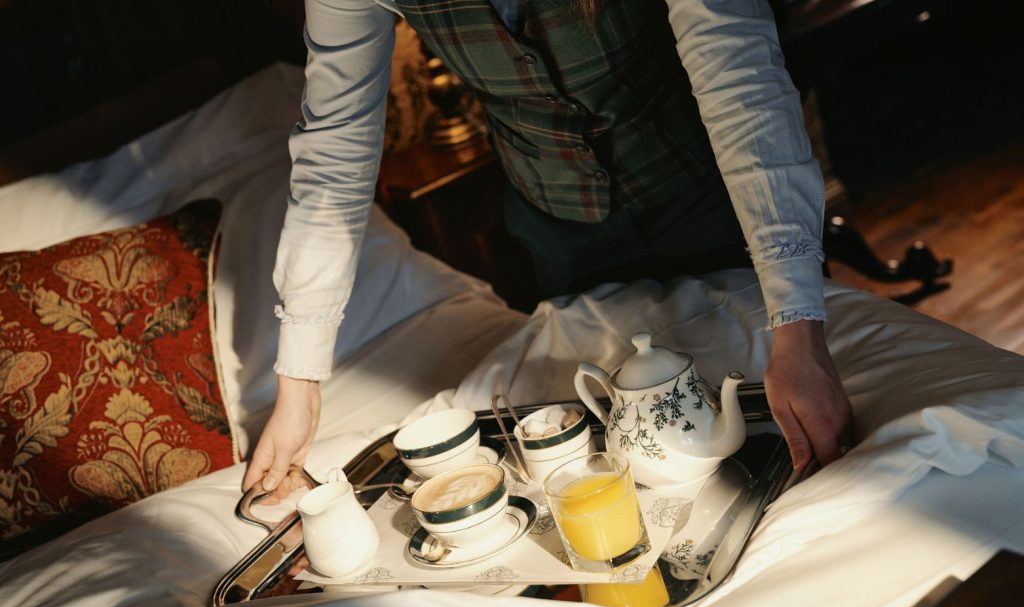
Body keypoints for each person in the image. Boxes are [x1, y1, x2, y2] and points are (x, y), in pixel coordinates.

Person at [243, 0, 854, 501]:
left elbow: (738, 74)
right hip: (560, 224)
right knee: (632, 463)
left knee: (783, 441)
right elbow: (333, 155)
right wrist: (299, 384)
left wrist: (798, 326)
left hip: (712, 190)